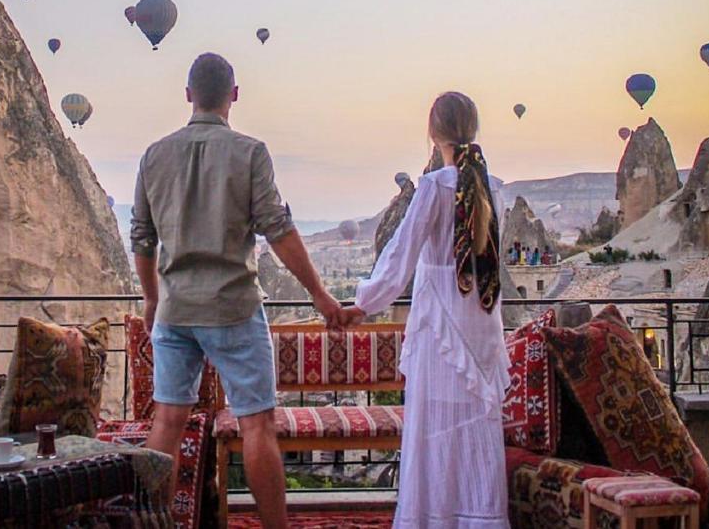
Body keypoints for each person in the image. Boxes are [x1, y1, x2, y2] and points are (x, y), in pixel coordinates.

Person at [131, 53, 343, 529]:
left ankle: (151, 524)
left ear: (188, 95)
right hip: (233, 308)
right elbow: (278, 229)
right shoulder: (250, 153)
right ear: (234, 95)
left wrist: (151, 299)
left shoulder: (153, 156)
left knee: (167, 423)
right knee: (257, 425)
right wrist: (319, 293)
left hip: (175, 310)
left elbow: (142, 239)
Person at [343, 91, 510, 528]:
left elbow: (400, 257)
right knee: (474, 425)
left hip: (441, 328)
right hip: (482, 324)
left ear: (433, 133)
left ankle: (433, 517)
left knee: (433, 427)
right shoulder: (493, 187)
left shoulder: (435, 187)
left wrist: (362, 304)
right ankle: (478, 515)